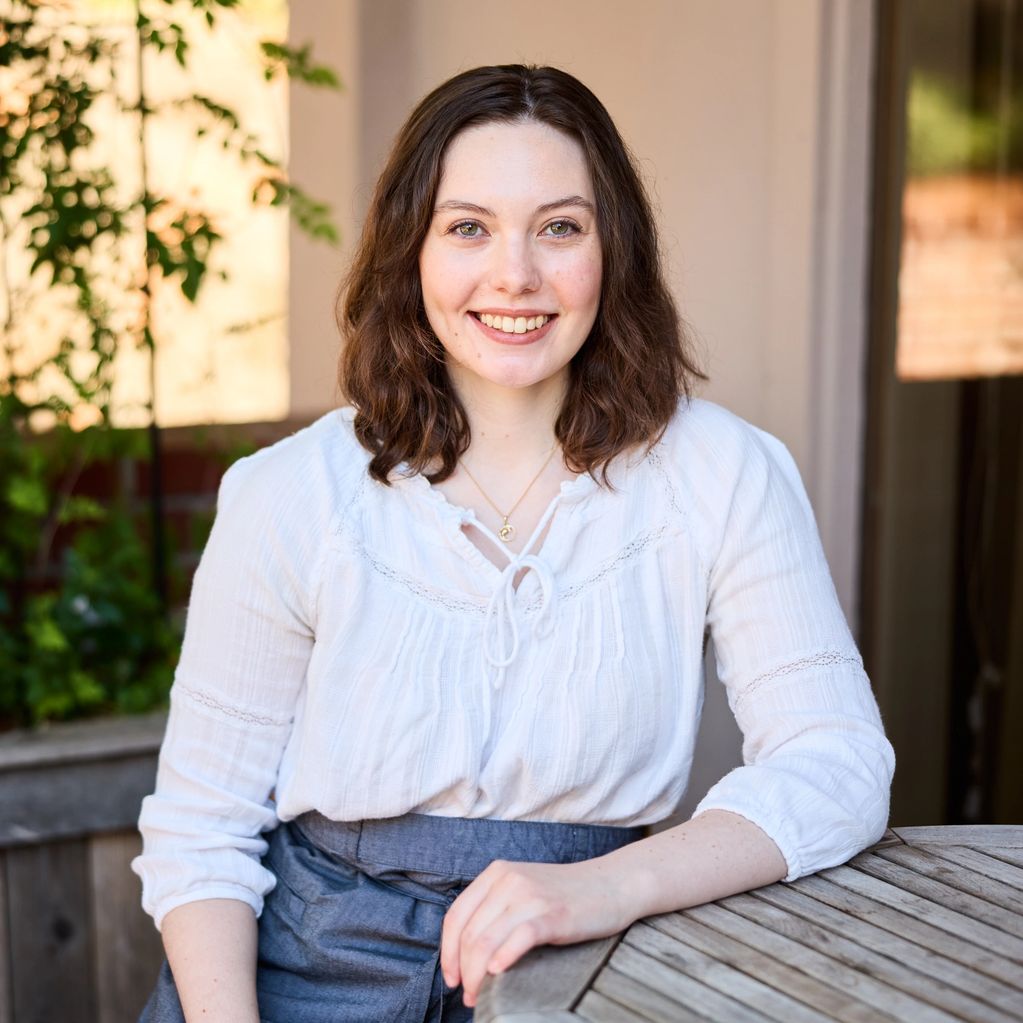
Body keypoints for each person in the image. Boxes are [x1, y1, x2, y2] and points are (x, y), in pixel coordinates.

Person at [133, 64, 895, 1022]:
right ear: (410, 249)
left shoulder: (723, 473)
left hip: (591, 959)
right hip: (300, 972)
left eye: (560, 227)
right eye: (468, 227)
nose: (515, 274)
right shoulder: (289, 493)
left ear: (613, 248)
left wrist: (602, 888)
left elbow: (838, 762)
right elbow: (202, 825)